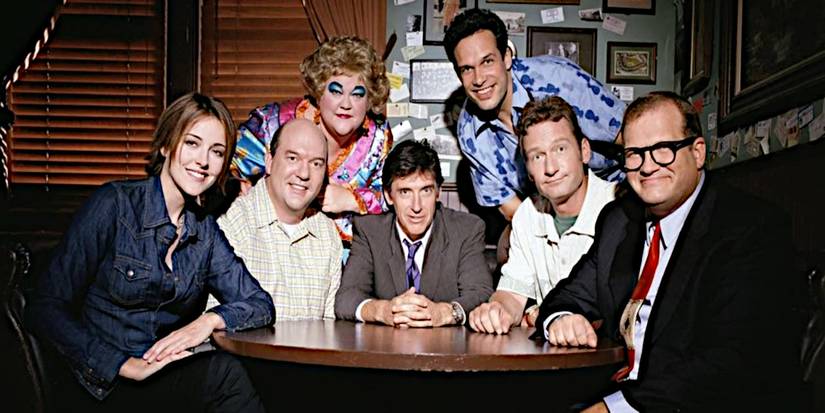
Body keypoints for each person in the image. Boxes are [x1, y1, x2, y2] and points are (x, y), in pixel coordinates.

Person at [534, 92, 802, 411]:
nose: (647, 167)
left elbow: (736, 362)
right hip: (606, 390)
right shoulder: (619, 219)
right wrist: (562, 319)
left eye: (663, 150)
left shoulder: (749, 228)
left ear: (698, 152)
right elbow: (566, 296)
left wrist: (615, 409)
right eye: (634, 154)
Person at [25, 93, 275, 412]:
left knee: (230, 371)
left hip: (157, 380)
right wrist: (121, 364)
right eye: (192, 143)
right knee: (224, 374)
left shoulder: (204, 232)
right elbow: (44, 307)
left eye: (217, 152)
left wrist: (207, 322)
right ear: (166, 146)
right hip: (98, 385)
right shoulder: (114, 205)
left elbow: (260, 304)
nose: (203, 161)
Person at [443, 8, 625, 221]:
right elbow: (513, 210)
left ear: (507, 57)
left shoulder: (557, 78)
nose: (479, 78)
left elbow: (627, 136)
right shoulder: (469, 133)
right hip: (547, 212)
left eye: (487, 61)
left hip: (614, 191)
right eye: (466, 69)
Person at [231, 36, 392, 256]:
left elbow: (396, 197)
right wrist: (237, 188)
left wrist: (353, 200)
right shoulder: (274, 122)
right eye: (336, 91)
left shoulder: (377, 138)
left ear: (369, 99)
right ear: (319, 92)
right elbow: (223, 168)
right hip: (269, 248)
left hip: (345, 259)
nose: (346, 104)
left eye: (357, 94)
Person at [468, 96, 616, 334]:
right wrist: (495, 311)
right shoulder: (528, 214)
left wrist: (546, 315)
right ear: (527, 170)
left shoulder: (618, 207)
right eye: (537, 156)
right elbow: (512, 296)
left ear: (584, 151)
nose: (550, 168)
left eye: (560, 149)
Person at [335, 140, 493, 327]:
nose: (416, 206)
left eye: (425, 191)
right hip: (385, 350)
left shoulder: (467, 229)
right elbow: (346, 298)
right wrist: (383, 311)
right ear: (388, 195)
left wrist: (445, 312)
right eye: (405, 192)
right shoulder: (370, 231)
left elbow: (481, 293)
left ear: (438, 192)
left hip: (447, 351)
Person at [214, 118, 342, 320]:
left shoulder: (327, 234)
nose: (303, 173)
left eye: (316, 163)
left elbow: (330, 325)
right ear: (270, 162)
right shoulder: (231, 221)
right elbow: (215, 322)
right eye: (292, 158)